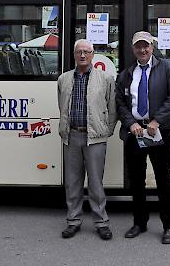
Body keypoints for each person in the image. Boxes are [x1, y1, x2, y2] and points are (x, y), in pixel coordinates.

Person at [116, 31, 170, 244]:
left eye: (146, 46)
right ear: (133, 49)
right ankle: (139, 222)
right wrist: (131, 123)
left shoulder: (166, 68)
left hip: (158, 132)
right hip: (135, 133)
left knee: (163, 180)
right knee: (137, 181)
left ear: (152, 47)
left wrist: (156, 121)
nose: (142, 50)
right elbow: (120, 104)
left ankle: (169, 226)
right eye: (138, 46)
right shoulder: (127, 73)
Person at [57, 39, 117, 240]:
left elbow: (112, 109)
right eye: (79, 52)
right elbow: (62, 106)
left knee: (95, 183)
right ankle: (73, 221)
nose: (82, 55)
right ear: (74, 55)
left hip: (95, 138)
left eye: (87, 52)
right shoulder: (63, 79)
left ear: (93, 55)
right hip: (72, 136)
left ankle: (101, 222)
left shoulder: (105, 78)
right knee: (72, 182)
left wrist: (105, 131)